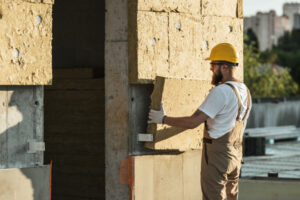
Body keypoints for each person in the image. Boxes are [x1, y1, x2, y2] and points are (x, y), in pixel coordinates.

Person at [148, 43, 252, 200]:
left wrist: (163, 119)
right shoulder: (244, 90)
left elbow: (193, 122)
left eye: (213, 64)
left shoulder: (221, 92)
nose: (210, 68)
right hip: (235, 155)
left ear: (224, 66)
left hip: (217, 156)